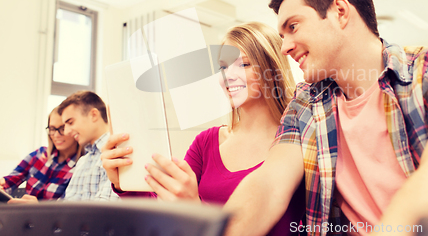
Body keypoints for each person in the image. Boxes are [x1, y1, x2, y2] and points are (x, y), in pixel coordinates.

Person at [223, 0, 428, 236]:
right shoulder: (307, 101)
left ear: (340, 12)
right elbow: (269, 184)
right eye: (282, 36)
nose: (284, 47)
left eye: (293, 27)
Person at [102, 22, 305, 234]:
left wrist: (196, 207)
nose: (229, 75)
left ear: (272, 71)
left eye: (243, 65)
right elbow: (166, 204)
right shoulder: (207, 142)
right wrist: (123, 181)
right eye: (223, 67)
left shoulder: (296, 143)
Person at [1, 107, 82, 202]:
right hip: (24, 215)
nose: (56, 135)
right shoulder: (38, 155)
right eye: (52, 129)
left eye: (62, 128)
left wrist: (38, 208)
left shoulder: (81, 167)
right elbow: (10, 180)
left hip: (51, 217)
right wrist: (3, 185)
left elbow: (67, 210)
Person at [58, 90, 119, 201]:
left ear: (93, 115)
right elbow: (68, 205)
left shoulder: (117, 151)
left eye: (70, 122)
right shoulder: (83, 161)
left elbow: (106, 210)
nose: (66, 132)